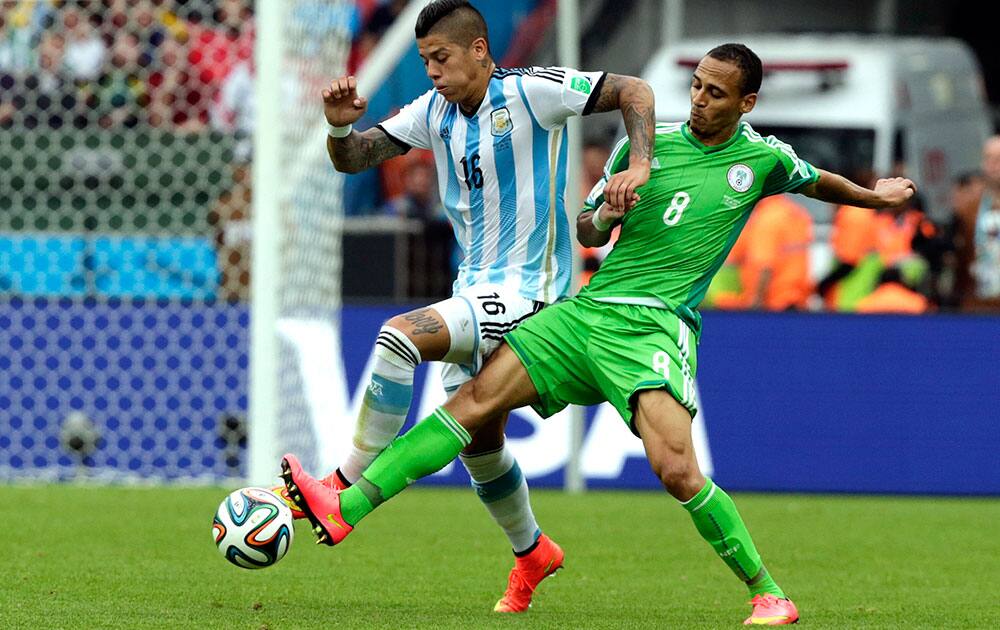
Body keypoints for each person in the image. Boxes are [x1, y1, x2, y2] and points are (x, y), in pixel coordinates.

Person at [281, 43, 915, 624]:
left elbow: (818, 182)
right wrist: (606, 211)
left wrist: (876, 196)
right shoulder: (645, 145)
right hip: (586, 313)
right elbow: (586, 230)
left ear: (746, 103)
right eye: (695, 86)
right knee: (472, 405)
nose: (698, 99)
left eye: (715, 93)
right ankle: (348, 506)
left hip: (653, 327)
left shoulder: (763, 158)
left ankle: (768, 591)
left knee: (677, 471)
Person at [277, 0, 656, 614]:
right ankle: (532, 551)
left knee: (399, 336)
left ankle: (342, 482)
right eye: (425, 60)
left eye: (441, 58)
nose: (431, 71)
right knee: (481, 445)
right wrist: (341, 128)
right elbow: (355, 160)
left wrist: (639, 162)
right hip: (475, 289)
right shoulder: (434, 111)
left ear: (479, 50)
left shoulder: (535, 91)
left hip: (534, 296)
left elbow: (634, 89)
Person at [955, 136, 1000, 312]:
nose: (993, 165)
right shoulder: (969, 209)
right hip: (978, 307)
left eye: (998, 159)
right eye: (988, 158)